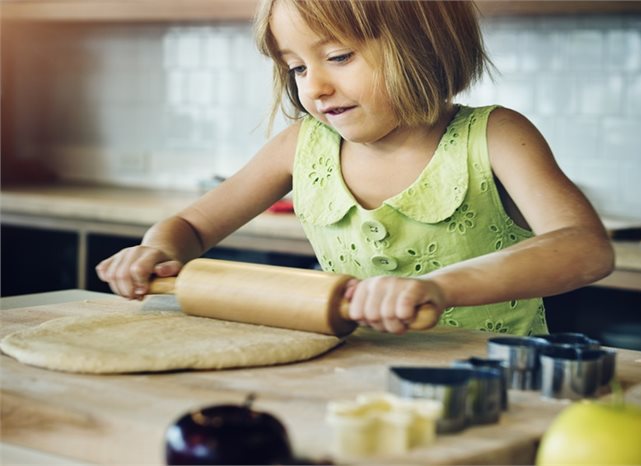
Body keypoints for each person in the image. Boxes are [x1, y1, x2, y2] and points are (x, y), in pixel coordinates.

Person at [96, 0, 614, 336]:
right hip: (346, 373)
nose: (313, 87)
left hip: (489, 380)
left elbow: (584, 247)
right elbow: (191, 225)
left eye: (339, 56)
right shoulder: (300, 145)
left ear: (423, 46)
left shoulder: (496, 135)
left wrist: (441, 288)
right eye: (297, 67)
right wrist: (157, 250)